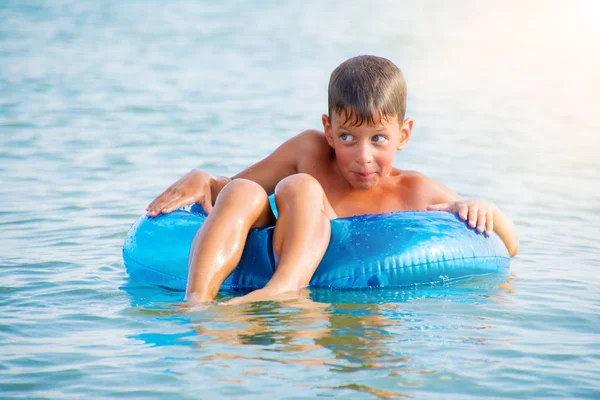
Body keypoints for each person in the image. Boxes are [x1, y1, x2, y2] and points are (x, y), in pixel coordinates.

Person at [145, 55, 519, 305]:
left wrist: (485, 207)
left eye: (378, 139)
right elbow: (231, 190)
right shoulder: (308, 151)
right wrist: (204, 179)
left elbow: (510, 245)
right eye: (347, 138)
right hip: (280, 237)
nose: (362, 156)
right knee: (257, 189)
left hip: (346, 304)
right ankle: (196, 303)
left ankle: (283, 289)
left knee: (299, 185)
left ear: (403, 135)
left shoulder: (415, 190)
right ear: (328, 129)